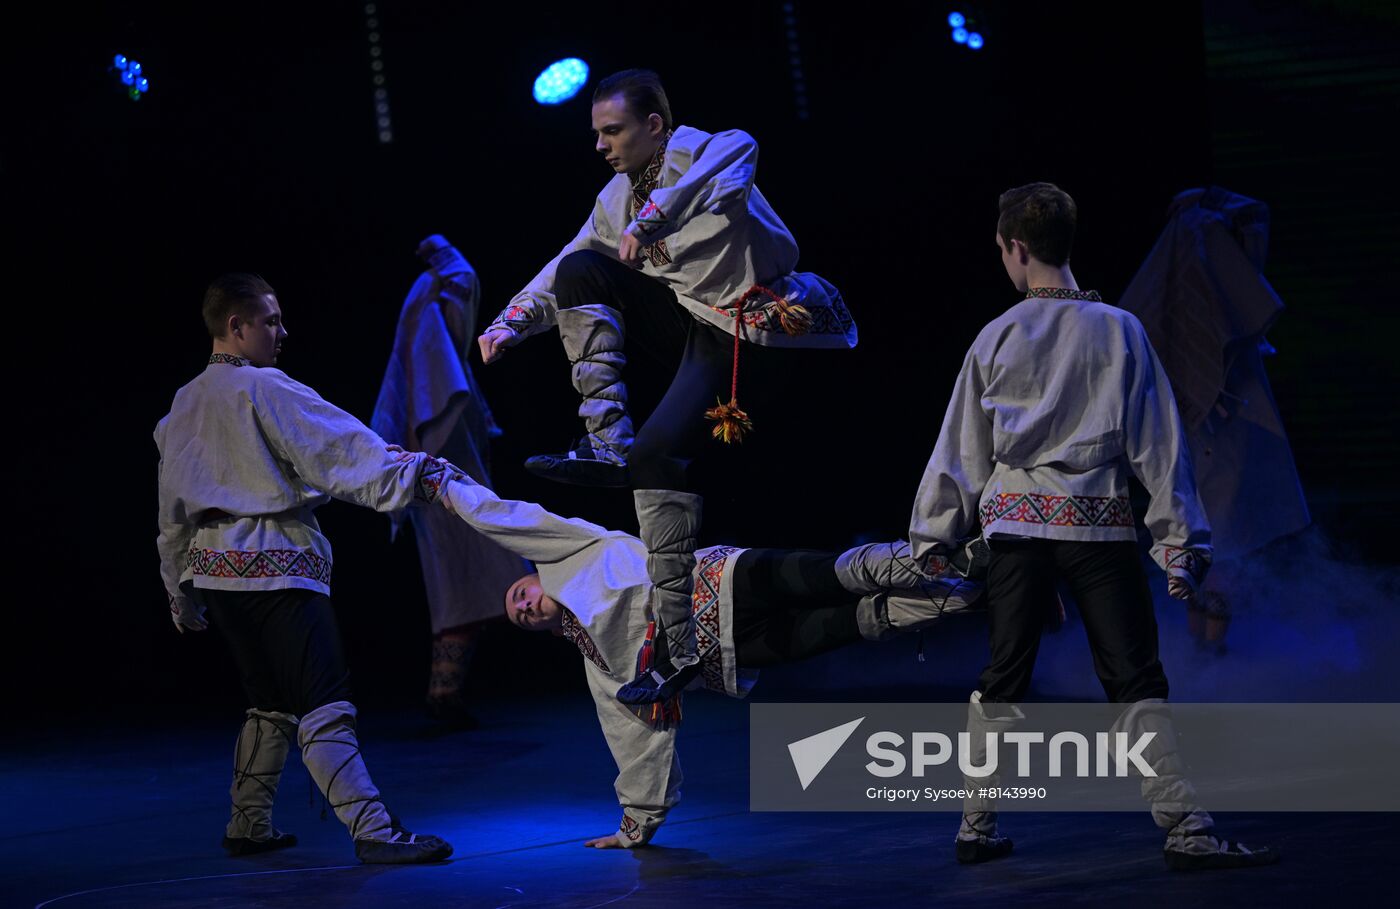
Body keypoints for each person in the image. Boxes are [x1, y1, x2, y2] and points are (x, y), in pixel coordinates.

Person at [908, 183, 1277, 871]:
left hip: (1018, 530)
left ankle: (975, 825)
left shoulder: (998, 335)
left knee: (1003, 674)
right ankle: (1185, 827)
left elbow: (961, 449)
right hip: (1098, 526)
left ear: (1017, 248)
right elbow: (1157, 442)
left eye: (1001, 250)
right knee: (1135, 678)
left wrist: (932, 538)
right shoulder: (1119, 329)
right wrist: (1180, 543)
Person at [476, 69, 857, 705]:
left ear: (655, 125)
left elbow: (734, 159)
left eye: (613, 130)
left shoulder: (711, 149)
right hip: (694, 321)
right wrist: (510, 322)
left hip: (753, 327)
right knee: (579, 270)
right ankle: (607, 440)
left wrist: (655, 219)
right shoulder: (615, 199)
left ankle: (678, 648)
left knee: (660, 458)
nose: (601, 145)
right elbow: (567, 260)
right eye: (596, 132)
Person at [408, 462, 980, 848]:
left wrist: (447, 489)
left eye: (520, 596)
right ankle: (971, 600)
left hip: (724, 578)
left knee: (831, 574)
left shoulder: (570, 552)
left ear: (531, 578)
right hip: (732, 649)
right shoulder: (600, 665)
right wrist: (637, 825)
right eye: (520, 618)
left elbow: (507, 517)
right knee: (856, 624)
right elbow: (633, 737)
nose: (525, 608)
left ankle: (956, 564)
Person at [155, 273, 453, 864]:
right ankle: (374, 831)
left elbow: (170, 512)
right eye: (269, 321)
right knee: (323, 698)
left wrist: (178, 593)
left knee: (270, 699)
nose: (281, 331)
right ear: (234, 328)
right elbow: (339, 449)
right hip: (276, 570)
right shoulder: (264, 388)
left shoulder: (183, 401)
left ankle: (249, 823)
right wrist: (412, 474)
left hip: (215, 574)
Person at [1118, 187, 1311, 653]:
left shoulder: (1222, 281)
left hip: (1222, 430)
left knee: (1219, 548)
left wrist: (1208, 198)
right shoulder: (1185, 274)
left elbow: (1256, 215)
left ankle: (1210, 652)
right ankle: (1206, 652)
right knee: (1209, 548)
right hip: (1200, 432)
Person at [371, 235, 528, 723]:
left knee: (473, 586)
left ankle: (445, 692)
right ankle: (443, 693)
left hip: (449, 488)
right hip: (439, 490)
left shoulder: (445, 377)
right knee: (477, 583)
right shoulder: (434, 369)